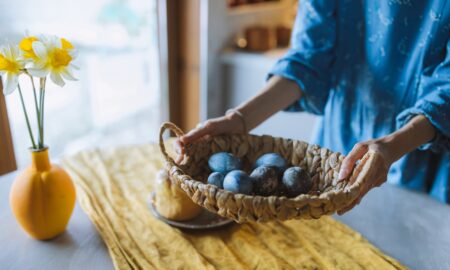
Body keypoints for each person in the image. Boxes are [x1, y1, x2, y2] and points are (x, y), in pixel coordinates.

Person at [177, 1, 450, 213]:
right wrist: (238, 119)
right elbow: (309, 58)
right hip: (336, 157)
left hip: (424, 163)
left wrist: (394, 145)